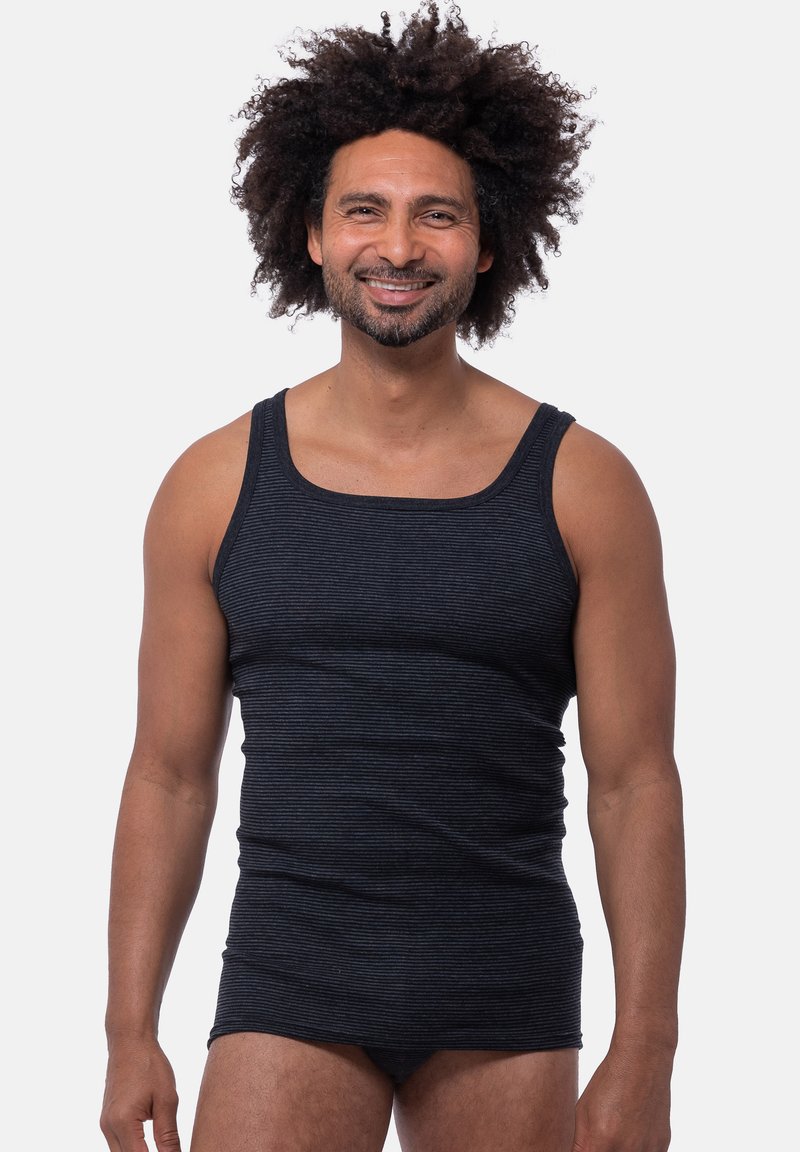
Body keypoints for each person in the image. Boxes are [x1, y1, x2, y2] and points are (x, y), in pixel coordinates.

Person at [100, 5, 685, 1151]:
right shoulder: (212, 486)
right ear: (312, 235)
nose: (399, 247)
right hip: (288, 976)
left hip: (503, 985)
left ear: (486, 241)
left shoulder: (585, 486)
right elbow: (167, 776)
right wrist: (128, 1031)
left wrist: (645, 1048)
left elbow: (633, 783)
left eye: (437, 214)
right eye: (363, 209)